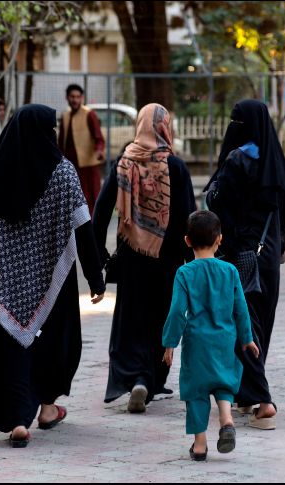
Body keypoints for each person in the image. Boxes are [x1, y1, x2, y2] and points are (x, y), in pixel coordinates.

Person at [0, 104, 106, 448]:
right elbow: (83, 227)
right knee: (51, 345)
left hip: (3, 281)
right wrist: (96, 278)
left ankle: (17, 420)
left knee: (7, 348)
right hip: (50, 286)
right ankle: (45, 408)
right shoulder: (63, 172)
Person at [93, 103, 196, 413]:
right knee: (160, 318)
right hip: (167, 260)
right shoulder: (175, 167)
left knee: (132, 319)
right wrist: (192, 260)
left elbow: (101, 211)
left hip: (131, 256)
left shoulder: (125, 162)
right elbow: (189, 217)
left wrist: (98, 256)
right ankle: (149, 379)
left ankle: (135, 376)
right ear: (165, 128)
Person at [204, 99, 285, 430]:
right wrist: (278, 248)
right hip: (268, 254)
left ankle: (263, 399)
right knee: (261, 321)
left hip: (240, 254)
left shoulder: (238, 160)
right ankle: (246, 394)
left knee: (242, 325)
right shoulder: (278, 162)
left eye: (235, 121)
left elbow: (219, 206)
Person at [162, 210, 260, 461]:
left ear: (187, 241)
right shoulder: (230, 271)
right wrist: (247, 338)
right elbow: (241, 308)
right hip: (225, 340)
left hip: (196, 343)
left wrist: (170, 343)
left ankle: (200, 445)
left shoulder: (184, 273)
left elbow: (176, 311)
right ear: (220, 239)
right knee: (223, 381)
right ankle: (226, 418)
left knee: (196, 391)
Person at [58, 84, 106, 215]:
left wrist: (99, 150)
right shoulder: (65, 116)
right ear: (67, 97)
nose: (75, 100)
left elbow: (99, 138)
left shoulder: (89, 114)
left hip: (88, 166)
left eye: (78, 97)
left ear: (82, 98)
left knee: (92, 199)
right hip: (71, 166)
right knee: (73, 200)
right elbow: (61, 142)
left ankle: (93, 229)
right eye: (72, 97)